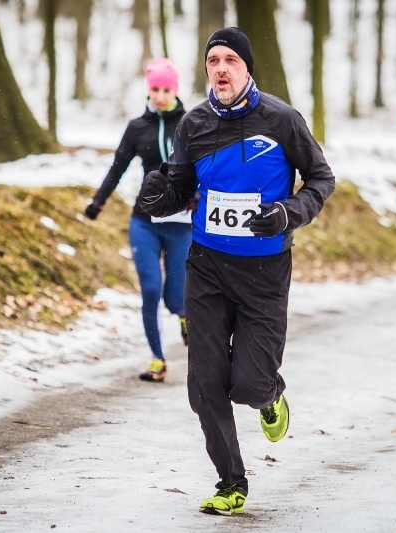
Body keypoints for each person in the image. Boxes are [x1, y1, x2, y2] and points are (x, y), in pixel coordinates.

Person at [137, 27, 335, 515]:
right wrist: (160, 198)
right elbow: (181, 185)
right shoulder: (194, 125)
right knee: (205, 381)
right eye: (212, 61)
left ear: (247, 68)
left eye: (230, 60)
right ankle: (231, 482)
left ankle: (271, 395)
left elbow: (321, 178)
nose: (220, 69)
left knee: (247, 381)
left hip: (265, 271)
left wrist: (289, 212)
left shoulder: (282, 119)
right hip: (206, 267)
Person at [84, 58, 191, 382]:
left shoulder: (190, 123)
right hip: (144, 220)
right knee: (149, 288)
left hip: (181, 223)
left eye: (166, 89)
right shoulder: (137, 127)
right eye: (155, 89)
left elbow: (206, 168)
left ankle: (185, 315)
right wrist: (98, 201)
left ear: (175, 90)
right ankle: (158, 359)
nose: (159, 95)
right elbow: (117, 168)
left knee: (175, 296)